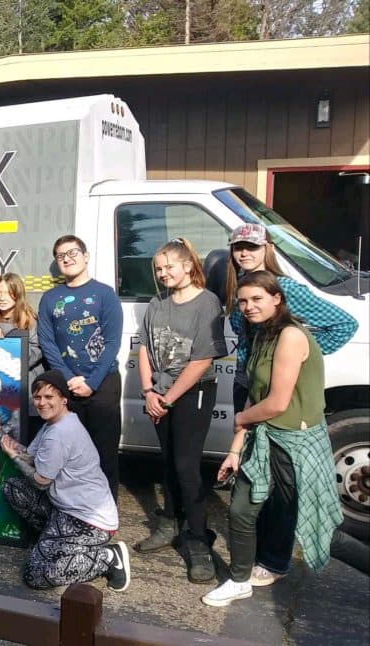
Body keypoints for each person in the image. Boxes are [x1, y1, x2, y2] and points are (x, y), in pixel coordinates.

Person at [203, 271, 341, 607]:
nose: (248, 307)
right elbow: (255, 394)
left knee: (313, 518)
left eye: (257, 299)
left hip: (296, 443)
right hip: (266, 436)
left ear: (277, 298)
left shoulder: (291, 336)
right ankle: (239, 580)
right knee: (241, 509)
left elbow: (278, 402)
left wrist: (240, 418)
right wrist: (235, 450)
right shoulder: (261, 334)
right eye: (244, 301)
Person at [0, 370, 130, 591]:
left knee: (36, 574)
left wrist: (12, 456)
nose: (42, 403)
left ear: (64, 399)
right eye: (38, 397)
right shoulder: (56, 422)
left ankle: (107, 557)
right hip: (66, 508)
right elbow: (29, 456)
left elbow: (41, 481)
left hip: (89, 521)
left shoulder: (61, 433)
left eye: (49, 397)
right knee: (13, 487)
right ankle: (55, 543)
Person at [135, 238, 227, 583]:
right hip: (158, 393)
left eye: (169, 266)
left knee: (187, 467)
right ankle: (169, 524)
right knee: (168, 461)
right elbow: (144, 348)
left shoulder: (208, 303)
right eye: (158, 269)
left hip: (191, 394)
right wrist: (148, 391)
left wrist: (168, 397)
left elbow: (202, 360)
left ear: (189, 266)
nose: (163, 274)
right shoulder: (157, 303)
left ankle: (199, 541)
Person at [224, 222, 357, 414]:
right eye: (238, 247)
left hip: (272, 387)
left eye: (252, 246)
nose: (244, 253)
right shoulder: (238, 286)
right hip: (245, 384)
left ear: (268, 248)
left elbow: (344, 325)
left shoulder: (285, 288)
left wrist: (288, 352)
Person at [36, 235, 123, 500]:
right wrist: (68, 379)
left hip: (103, 382)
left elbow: (112, 343)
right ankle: (70, 511)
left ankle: (105, 518)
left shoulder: (105, 294)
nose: (67, 258)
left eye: (73, 252)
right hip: (67, 386)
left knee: (104, 454)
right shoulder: (50, 298)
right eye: (61, 255)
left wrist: (91, 382)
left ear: (86, 256)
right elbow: (47, 342)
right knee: (68, 454)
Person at [0, 273, 44, 408]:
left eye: (9, 293)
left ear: (18, 295)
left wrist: (5, 334)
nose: (2, 298)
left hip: (23, 393)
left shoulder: (31, 322)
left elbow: (32, 357)